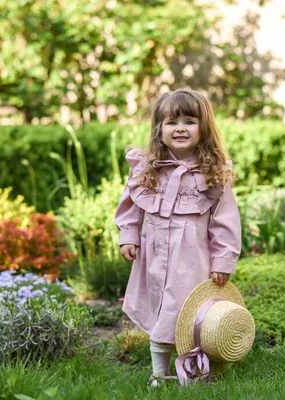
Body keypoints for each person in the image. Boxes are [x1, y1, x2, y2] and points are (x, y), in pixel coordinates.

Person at [114, 88, 241, 386]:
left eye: (189, 121)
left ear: (204, 128)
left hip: (191, 258)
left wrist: (223, 260)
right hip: (153, 256)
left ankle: (190, 369)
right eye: (172, 122)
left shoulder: (212, 173)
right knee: (158, 306)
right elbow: (130, 207)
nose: (180, 128)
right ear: (159, 129)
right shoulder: (147, 168)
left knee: (186, 311)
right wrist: (128, 235)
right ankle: (160, 371)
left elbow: (224, 221)